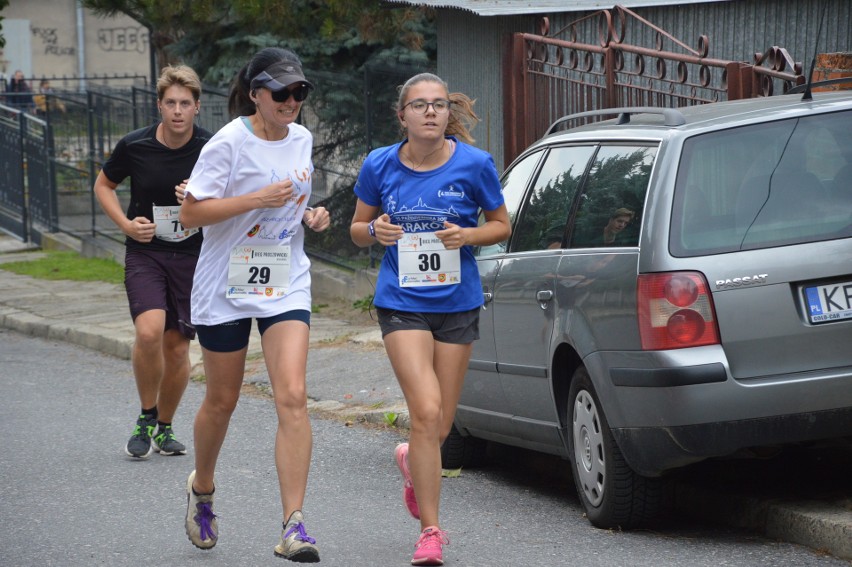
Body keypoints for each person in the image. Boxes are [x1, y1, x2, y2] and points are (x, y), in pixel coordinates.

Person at [349, 73, 511, 566]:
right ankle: (432, 532)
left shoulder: (475, 164)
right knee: (424, 411)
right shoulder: (379, 163)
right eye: (419, 105)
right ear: (403, 116)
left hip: (457, 303)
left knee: (438, 425)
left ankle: (411, 460)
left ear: (448, 114)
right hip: (402, 301)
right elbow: (357, 230)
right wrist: (374, 229)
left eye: (439, 105)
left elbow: (502, 226)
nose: (430, 112)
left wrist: (467, 236)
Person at [178, 47, 329, 562]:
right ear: (256, 94)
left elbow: (298, 197)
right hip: (225, 283)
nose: (292, 101)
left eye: (299, 92)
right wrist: (255, 200)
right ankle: (202, 487)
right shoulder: (228, 142)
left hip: (284, 280)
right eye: (282, 93)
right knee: (222, 401)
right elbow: (192, 214)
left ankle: (294, 525)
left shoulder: (303, 138)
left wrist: (312, 216)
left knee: (293, 394)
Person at [93, 65, 212, 460]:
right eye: (170, 103)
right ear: (159, 106)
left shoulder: (212, 149)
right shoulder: (136, 145)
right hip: (147, 251)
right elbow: (103, 184)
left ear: (197, 107)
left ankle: (164, 426)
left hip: (194, 256)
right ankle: (146, 416)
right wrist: (127, 224)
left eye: (185, 103)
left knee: (177, 348)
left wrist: (197, 199)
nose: (177, 111)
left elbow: (233, 196)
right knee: (149, 332)